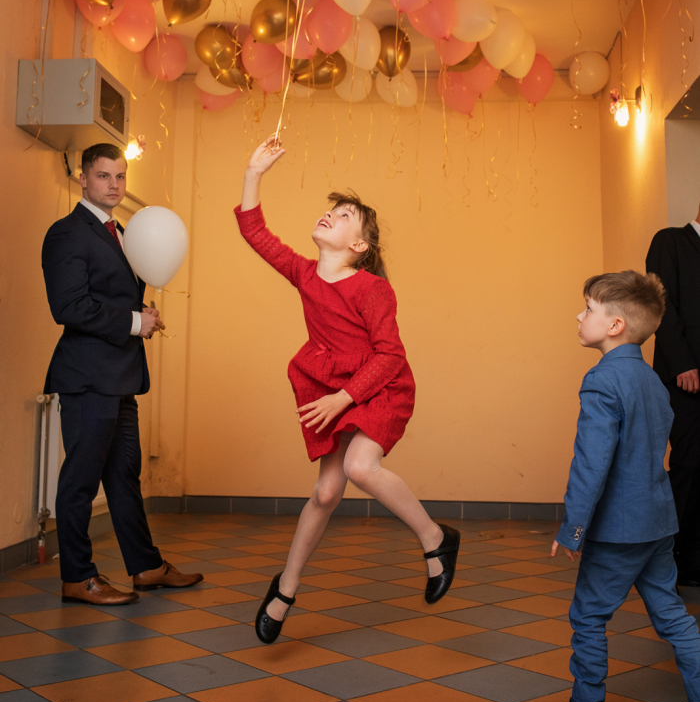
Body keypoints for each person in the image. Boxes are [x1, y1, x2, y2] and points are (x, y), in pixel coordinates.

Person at [235, 136, 460, 644]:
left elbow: (390, 357)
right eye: (330, 211)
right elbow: (255, 231)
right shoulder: (304, 274)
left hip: (379, 389)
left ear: (359, 246)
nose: (329, 216)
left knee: (360, 467)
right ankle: (285, 588)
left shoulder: (372, 288)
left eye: (343, 216)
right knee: (327, 490)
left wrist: (344, 398)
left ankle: (435, 538)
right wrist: (254, 173)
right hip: (334, 388)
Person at [533, 271, 700, 702]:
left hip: (619, 530)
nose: (579, 315)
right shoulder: (650, 381)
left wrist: (573, 528)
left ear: (615, 326)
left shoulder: (602, 381)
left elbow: (593, 463)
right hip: (659, 522)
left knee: (588, 616)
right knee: (670, 613)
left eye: (588, 309)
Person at [42, 143, 203, 605]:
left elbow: (110, 297)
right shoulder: (67, 233)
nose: (113, 185)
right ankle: (78, 577)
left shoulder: (122, 232)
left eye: (120, 177)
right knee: (81, 479)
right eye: (103, 176)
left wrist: (141, 315)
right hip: (88, 378)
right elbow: (67, 307)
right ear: (83, 180)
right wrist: (135, 323)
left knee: (123, 476)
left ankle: (147, 567)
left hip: (120, 377)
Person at [647, 214, 700, 587]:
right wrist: (683, 364)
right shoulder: (670, 241)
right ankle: (673, 558)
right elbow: (661, 309)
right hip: (687, 380)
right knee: (689, 465)